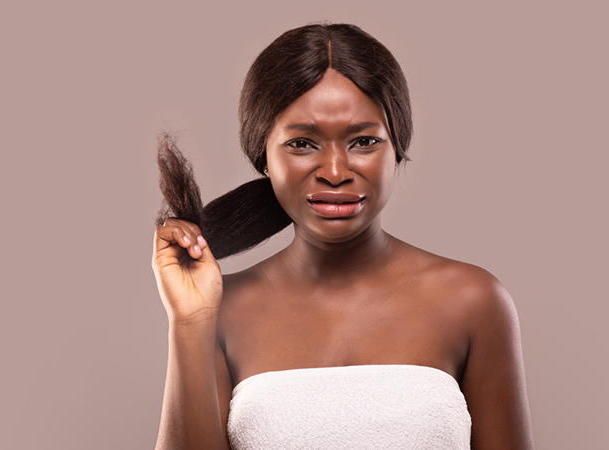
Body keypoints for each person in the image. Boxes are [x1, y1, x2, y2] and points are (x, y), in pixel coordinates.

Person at [151, 23, 534, 450]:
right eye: (302, 144)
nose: (335, 172)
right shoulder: (221, 309)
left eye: (364, 141)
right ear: (264, 157)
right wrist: (189, 322)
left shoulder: (473, 301)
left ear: (397, 149)